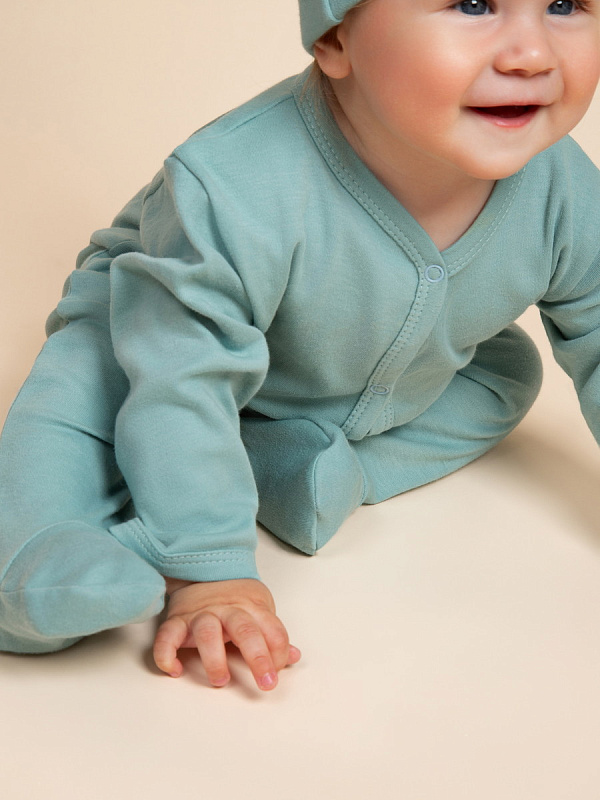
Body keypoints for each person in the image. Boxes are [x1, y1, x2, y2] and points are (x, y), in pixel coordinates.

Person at [1, 0, 599, 692]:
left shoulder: (562, 188)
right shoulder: (236, 182)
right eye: (473, 4)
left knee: (503, 374)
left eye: (565, 4)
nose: (532, 54)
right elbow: (181, 377)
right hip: (158, 350)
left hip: (369, 370)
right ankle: (33, 558)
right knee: (81, 386)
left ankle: (286, 466)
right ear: (336, 39)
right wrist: (211, 572)